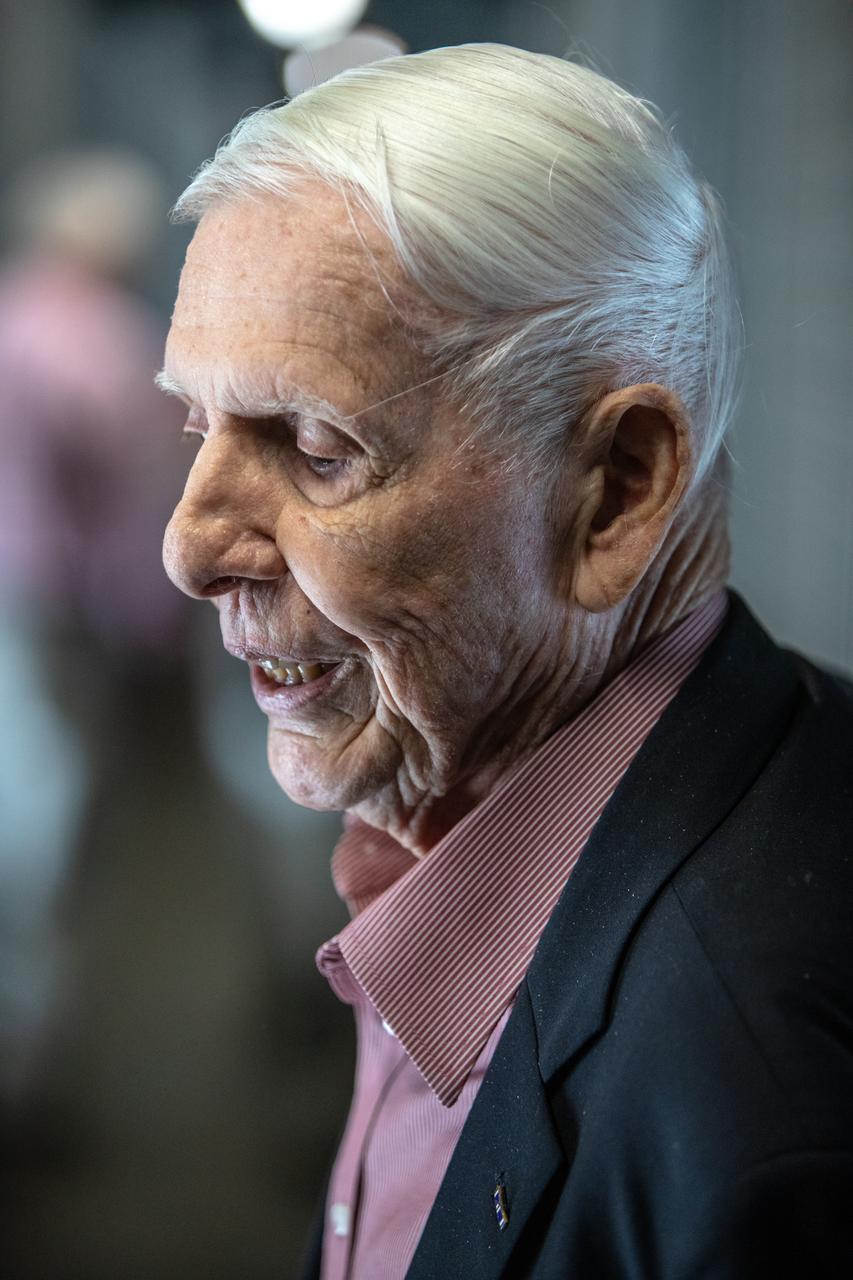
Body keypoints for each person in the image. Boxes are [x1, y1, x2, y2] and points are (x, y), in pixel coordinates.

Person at [159, 44, 853, 1279]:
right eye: (198, 425)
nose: (190, 548)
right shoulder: (462, 826)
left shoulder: (755, 1125)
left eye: (316, 447)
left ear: (616, 488)